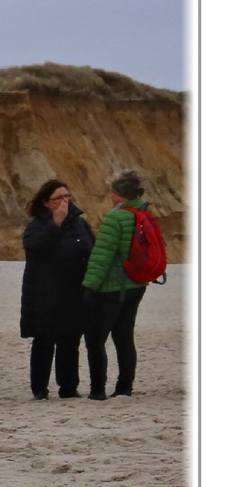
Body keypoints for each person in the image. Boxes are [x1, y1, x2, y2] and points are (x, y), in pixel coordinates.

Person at [20, 179, 95, 399]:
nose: (65, 201)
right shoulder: (37, 226)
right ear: (46, 203)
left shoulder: (79, 223)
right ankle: (40, 389)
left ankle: (69, 388)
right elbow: (35, 247)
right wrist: (56, 224)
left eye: (67, 196)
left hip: (74, 292)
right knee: (44, 341)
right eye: (59, 198)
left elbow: (91, 248)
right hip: (45, 293)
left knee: (70, 341)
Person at [81, 168, 152, 399]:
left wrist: (89, 286)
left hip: (112, 288)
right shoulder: (142, 212)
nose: (110, 195)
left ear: (120, 194)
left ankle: (97, 391)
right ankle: (124, 388)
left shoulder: (115, 217)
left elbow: (102, 256)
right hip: (136, 285)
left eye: (112, 192)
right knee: (124, 337)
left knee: (95, 339)